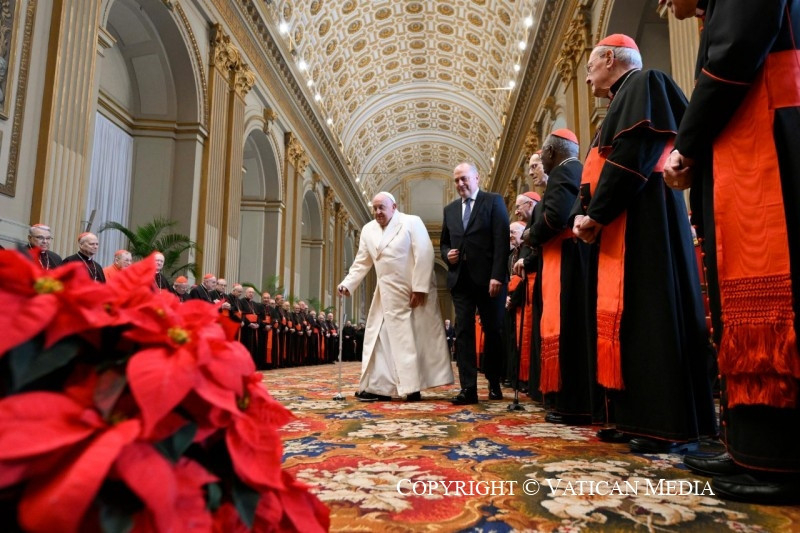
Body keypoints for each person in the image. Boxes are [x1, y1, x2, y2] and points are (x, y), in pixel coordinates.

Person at [664, 0, 800, 503]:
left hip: (772, 135)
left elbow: (736, 48)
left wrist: (687, 144)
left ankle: (783, 457)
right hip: (745, 138)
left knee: (777, 304)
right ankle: (749, 445)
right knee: (735, 306)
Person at [572, 34, 716, 453]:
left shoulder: (645, 83)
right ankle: (633, 415)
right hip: (624, 220)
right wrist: (589, 213)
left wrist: (597, 213)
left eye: (590, 67)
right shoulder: (619, 101)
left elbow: (631, 157)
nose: (587, 78)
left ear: (610, 58)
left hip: (646, 222)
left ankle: (662, 423)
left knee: (650, 316)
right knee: (629, 321)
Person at [339, 192, 453, 402]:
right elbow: (362, 261)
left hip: (410, 294)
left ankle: (412, 387)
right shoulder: (368, 230)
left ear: (394, 206)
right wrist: (348, 283)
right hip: (384, 295)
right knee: (380, 339)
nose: (377, 212)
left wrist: (419, 288)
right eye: (374, 208)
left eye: (381, 207)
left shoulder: (411, 222)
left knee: (409, 342)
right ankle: (380, 388)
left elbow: (424, 254)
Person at [529, 128, 597, 425]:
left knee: (569, 331)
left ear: (551, 152)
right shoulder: (574, 169)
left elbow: (554, 217)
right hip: (572, 256)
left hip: (567, 259)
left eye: (542, 154)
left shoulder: (562, 172)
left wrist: (531, 236)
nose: (541, 160)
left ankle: (573, 405)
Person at [441, 162, 510, 405]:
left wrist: (497, 275)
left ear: (476, 178)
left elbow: (502, 240)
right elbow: (444, 243)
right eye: (456, 180)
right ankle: (468, 388)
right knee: (463, 332)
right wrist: (447, 254)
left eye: (464, 178)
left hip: (489, 280)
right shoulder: (450, 210)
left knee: (493, 331)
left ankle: (493, 381)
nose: (460, 183)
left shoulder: (493, 201)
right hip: (461, 280)